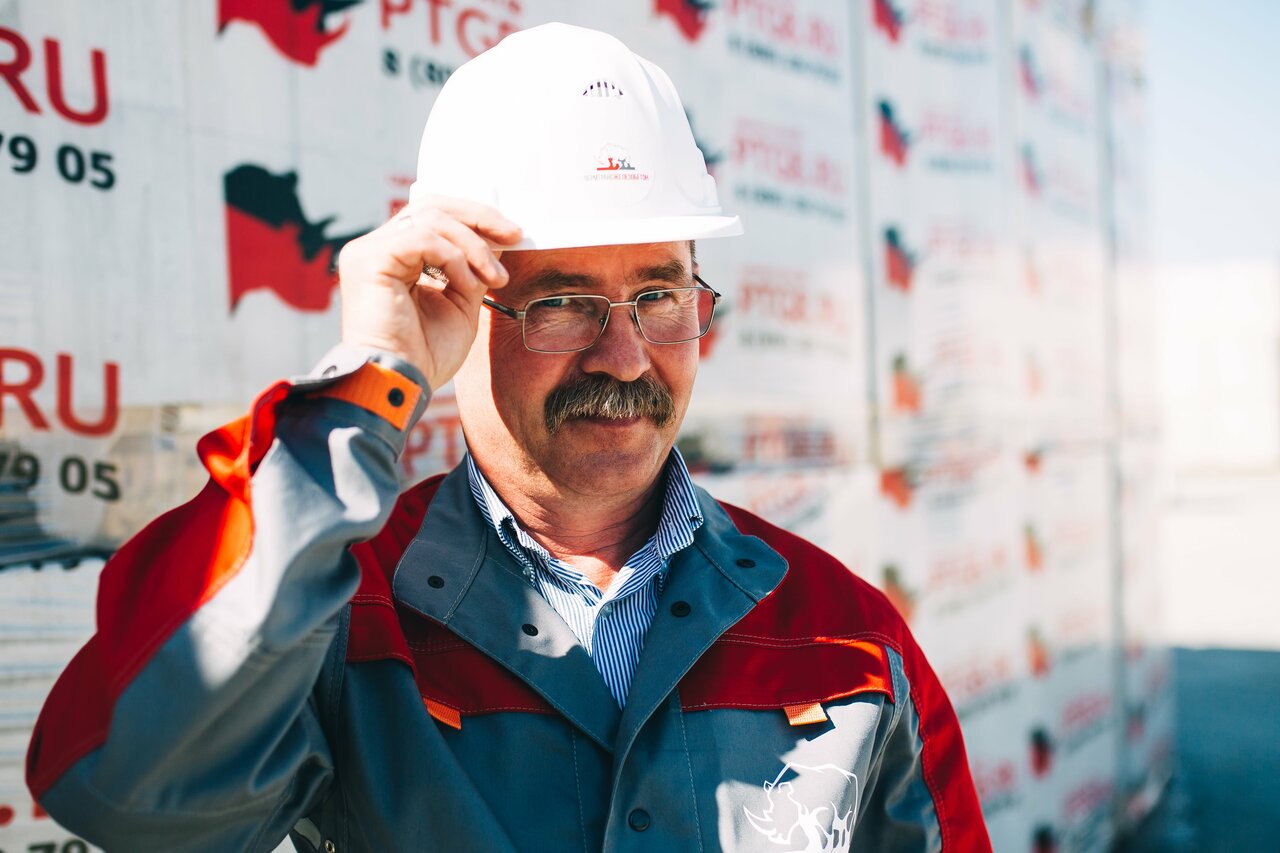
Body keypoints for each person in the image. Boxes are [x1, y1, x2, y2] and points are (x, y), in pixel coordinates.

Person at [26, 23, 991, 852]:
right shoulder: (348, 612)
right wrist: (366, 380)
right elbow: (131, 793)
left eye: (659, 295)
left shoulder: (846, 632)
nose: (624, 357)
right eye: (562, 302)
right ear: (451, 304)